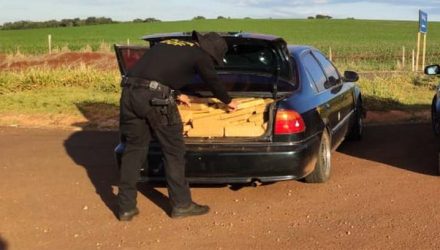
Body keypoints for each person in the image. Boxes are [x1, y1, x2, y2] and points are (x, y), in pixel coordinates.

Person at [117, 31, 238, 221]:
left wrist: (175, 94)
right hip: (156, 101)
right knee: (173, 151)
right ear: (212, 52)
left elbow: (156, 75)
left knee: (134, 149)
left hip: (129, 94)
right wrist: (228, 100)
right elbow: (212, 81)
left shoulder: (170, 44)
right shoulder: (200, 55)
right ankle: (181, 205)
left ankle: (125, 207)